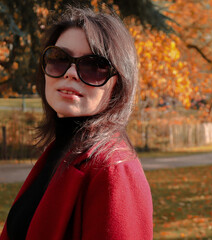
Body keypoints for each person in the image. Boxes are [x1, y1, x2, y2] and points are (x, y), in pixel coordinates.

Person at [0, 6, 153, 240]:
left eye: (93, 66)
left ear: (117, 85)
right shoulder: (60, 151)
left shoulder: (113, 169)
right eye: (59, 59)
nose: (70, 73)